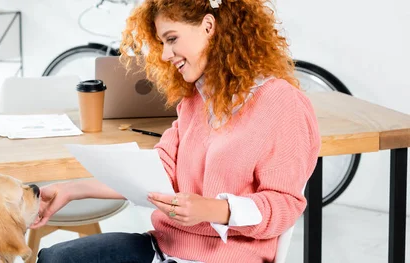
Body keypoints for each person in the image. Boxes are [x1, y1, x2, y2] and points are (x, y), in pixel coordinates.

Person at [31, 0, 321, 262]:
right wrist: (72, 190)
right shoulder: (195, 100)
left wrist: (212, 210)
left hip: (229, 257)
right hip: (165, 248)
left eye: (172, 39)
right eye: (162, 43)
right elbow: (158, 174)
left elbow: (284, 205)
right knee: (55, 259)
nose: (166, 54)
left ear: (209, 26)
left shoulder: (281, 103)